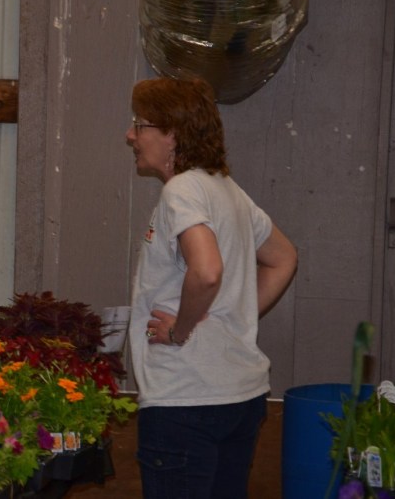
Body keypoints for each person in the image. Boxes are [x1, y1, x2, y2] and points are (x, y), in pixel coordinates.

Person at [126, 76, 298, 499]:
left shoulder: (182, 189)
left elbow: (206, 271)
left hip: (186, 400)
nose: (130, 135)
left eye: (140, 124)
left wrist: (179, 331)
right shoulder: (227, 189)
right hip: (238, 398)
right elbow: (283, 258)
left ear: (172, 134)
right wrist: (233, 315)